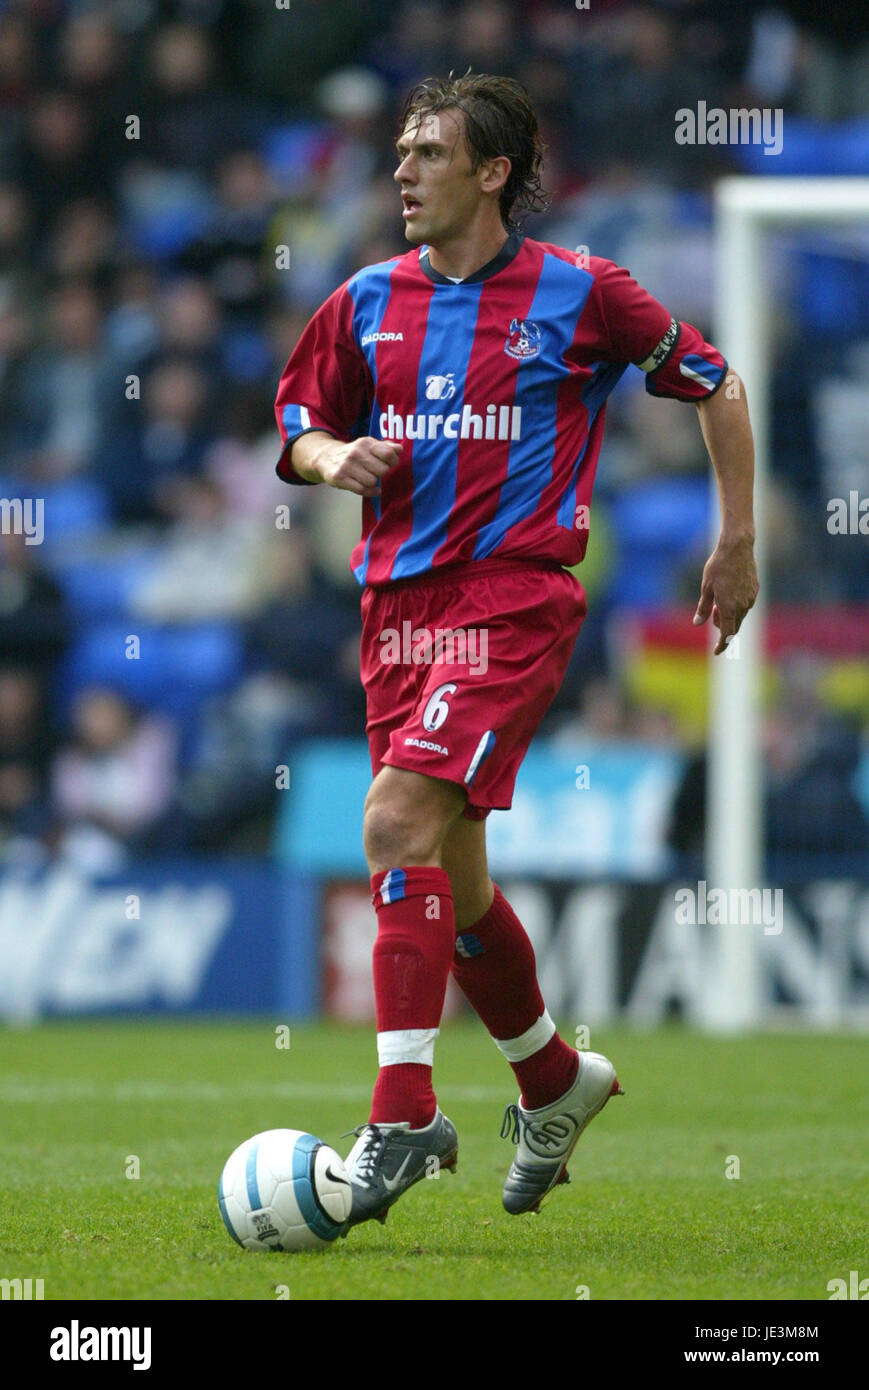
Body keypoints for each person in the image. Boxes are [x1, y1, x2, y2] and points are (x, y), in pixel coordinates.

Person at [273, 73, 758, 1226]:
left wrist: (736, 538)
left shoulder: (581, 293)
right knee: (455, 871)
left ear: (492, 172)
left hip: (511, 603)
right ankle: (551, 1080)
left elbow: (714, 381)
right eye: (399, 150)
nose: (401, 170)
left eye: (428, 152)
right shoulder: (360, 301)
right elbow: (292, 425)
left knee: (392, 823)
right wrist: (332, 457)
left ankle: (402, 1117)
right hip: (394, 613)